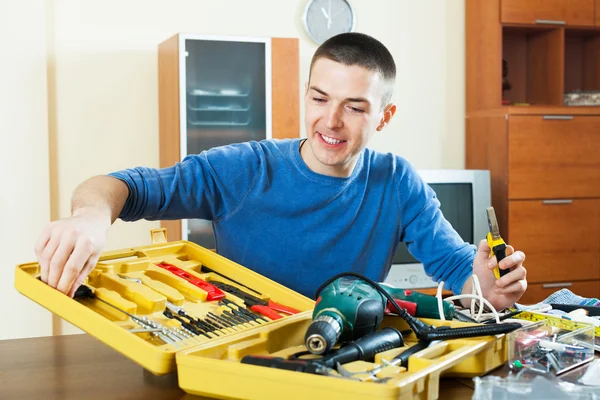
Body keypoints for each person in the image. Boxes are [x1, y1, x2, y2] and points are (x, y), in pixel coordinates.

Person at [35, 32, 527, 310]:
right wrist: (90, 217)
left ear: (384, 117)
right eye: (319, 99)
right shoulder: (245, 168)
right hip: (238, 356)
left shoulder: (397, 181)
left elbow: (461, 271)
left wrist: (487, 282)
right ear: (305, 95)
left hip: (345, 367)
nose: (330, 121)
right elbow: (123, 187)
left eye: (355, 107)